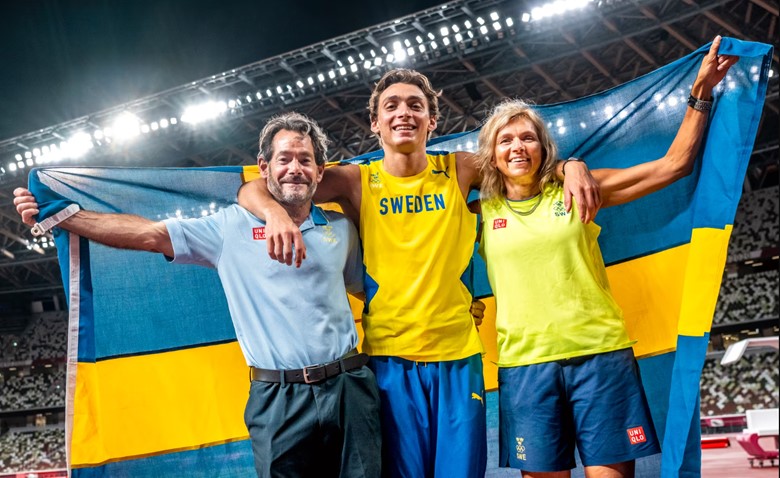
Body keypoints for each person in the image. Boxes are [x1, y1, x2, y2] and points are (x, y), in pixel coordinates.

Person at [237, 69, 600, 477]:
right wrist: (272, 213)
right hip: (389, 363)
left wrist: (571, 165)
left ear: (433, 119)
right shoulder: (358, 180)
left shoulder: (460, 169)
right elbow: (258, 185)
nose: (403, 113)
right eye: (391, 106)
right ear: (375, 122)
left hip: (458, 360)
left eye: (415, 105)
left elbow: (520, 163)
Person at [14, 112, 382, 478]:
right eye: (284, 159)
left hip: (350, 387)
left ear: (320, 172)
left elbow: (367, 291)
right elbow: (150, 234)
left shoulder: (341, 230)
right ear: (263, 167)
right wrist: (62, 216)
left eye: (306, 160)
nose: (295, 168)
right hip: (279, 399)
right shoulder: (229, 228)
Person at [473, 36, 736, 478]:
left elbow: (673, 165)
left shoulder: (580, 190)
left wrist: (701, 91)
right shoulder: (479, 211)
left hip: (600, 357)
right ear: (491, 156)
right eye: (505, 140)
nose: (517, 146)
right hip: (524, 368)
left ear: (543, 148)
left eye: (527, 138)